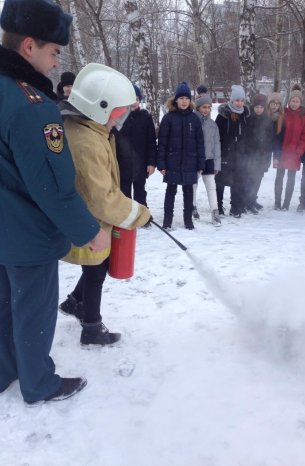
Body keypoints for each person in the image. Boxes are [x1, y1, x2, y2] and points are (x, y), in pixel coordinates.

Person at [0, 0, 110, 405]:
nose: (54, 62)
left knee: (4, 307)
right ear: (29, 46)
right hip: (28, 237)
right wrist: (90, 231)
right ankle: (39, 384)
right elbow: (53, 187)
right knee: (33, 314)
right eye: (53, 52)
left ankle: (6, 370)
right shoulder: (33, 108)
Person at [59, 64, 151, 345]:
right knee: (97, 271)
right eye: (118, 113)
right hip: (89, 220)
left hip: (89, 217)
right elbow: (102, 199)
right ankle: (91, 327)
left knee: (95, 268)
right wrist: (139, 214)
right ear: (101, 107)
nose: (119, 120)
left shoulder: (90, 129)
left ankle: (74, 301)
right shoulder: (87, 140)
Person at [157, 81, 206, 230]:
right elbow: (162, 144)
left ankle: (188, 220)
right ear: (176, 100)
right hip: (172, 162)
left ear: (190, 101)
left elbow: (200, 143)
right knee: (170, 191)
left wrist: (200, 164)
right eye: (181, 98)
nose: (184, 101)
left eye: (187, 98)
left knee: (188, 192)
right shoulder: (168, 119)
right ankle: (167, 220)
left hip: (190, 161)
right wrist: (162, 164)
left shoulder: (194, 119)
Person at [113, 84, 157, 227]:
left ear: (140, 100)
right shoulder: (118, 118)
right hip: (122, 163)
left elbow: (151, 141)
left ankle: (143, 217)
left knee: (140, 191)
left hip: (141, 163)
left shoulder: (145, 117)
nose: (133, 102)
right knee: (124, 192)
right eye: (130, 98)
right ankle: (126, 217)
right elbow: (113, 141)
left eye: (136, 98)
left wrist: (151, 163)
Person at [274, 85, 305, 210]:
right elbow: (278, 133)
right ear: (289, 101)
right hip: (282, 151)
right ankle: (277, 202)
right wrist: (277, 151)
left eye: (297, 101)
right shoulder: (283, 113)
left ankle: (286, 203)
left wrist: (299, 151)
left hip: (294, 153)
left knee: (291, 179)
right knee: (279, 177)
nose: (294, 103)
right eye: (292, 101)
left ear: (301, 102)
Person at [215, 84, 250, 218]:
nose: (239, 103)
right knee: (220, 182)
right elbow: (216, 136)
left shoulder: (246, 115)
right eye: (237, 100)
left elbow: (248, 135)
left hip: (240, 155)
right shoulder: (223, 116)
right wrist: (219, 153)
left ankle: (236, 207)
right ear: (231, 100)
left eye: (241, 100)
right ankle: (218, 206)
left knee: (238, 182)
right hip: (225, 155)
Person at [193, 90, 222, 226]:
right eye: (204, 107)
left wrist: (217, 164)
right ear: (198, 108)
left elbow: (217, 145)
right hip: (195, 159)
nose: (207, 109)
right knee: (193, 185)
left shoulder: (212, 124)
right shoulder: (192, 122)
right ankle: (192, 207)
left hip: (209, 160)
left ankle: (214, 212)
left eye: (209, 107)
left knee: (211, 186)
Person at [245, 93, 274, 213]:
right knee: (249, 179)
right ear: (253, 107)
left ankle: (253, 199)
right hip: (250, 155)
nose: (258, 110)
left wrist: (266, 153)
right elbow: (246, 137)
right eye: (256, 107)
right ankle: (247, 201)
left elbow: (271, 139)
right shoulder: (248, 119)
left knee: (258, 179)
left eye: (261, 107)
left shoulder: (268, 120)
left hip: (262, 155)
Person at [267, 92, 285, 171]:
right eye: (272, 103)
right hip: (263, 150)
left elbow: (279, 138)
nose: (275, 105)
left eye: (277, 104)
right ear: (269, 103)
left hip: (274, 149)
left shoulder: (281, 118)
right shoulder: (264, 115)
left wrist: (276, 156)